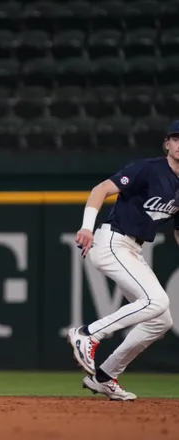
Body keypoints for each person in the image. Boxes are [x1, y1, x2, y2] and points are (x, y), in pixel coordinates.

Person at [69, 121, 179, 401]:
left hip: (133, 249)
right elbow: (100, 189)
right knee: (158, 301)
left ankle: (105, 377)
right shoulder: (149, 168)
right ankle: (88, 334)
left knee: (161, 320)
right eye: (176, 139)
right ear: (167, 143)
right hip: (112, 241)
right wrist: (86, 227)